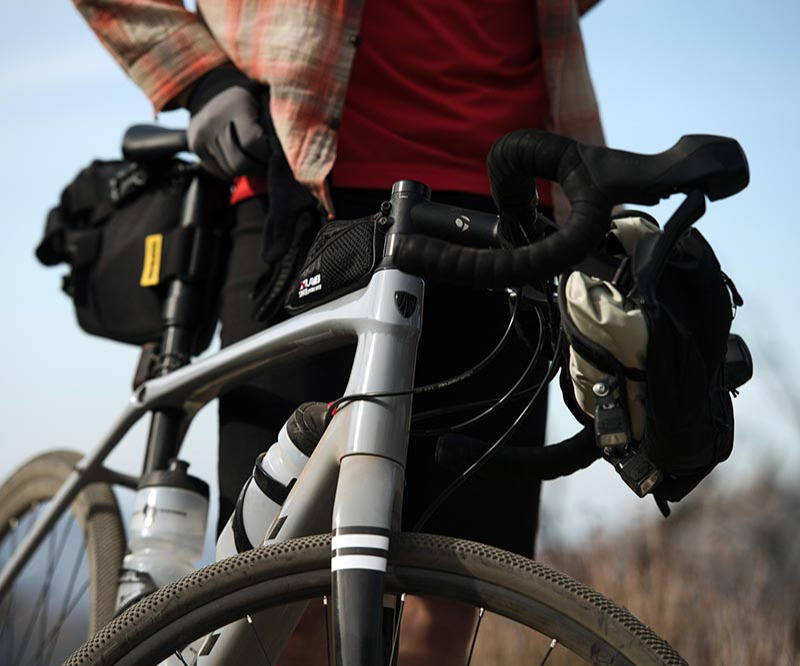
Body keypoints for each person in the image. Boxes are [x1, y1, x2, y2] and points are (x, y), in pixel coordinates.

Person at [71, 0, 605, 662]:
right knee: (278, 598)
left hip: (514, 204)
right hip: (305, 190)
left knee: (450, 603)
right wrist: (197, 73)